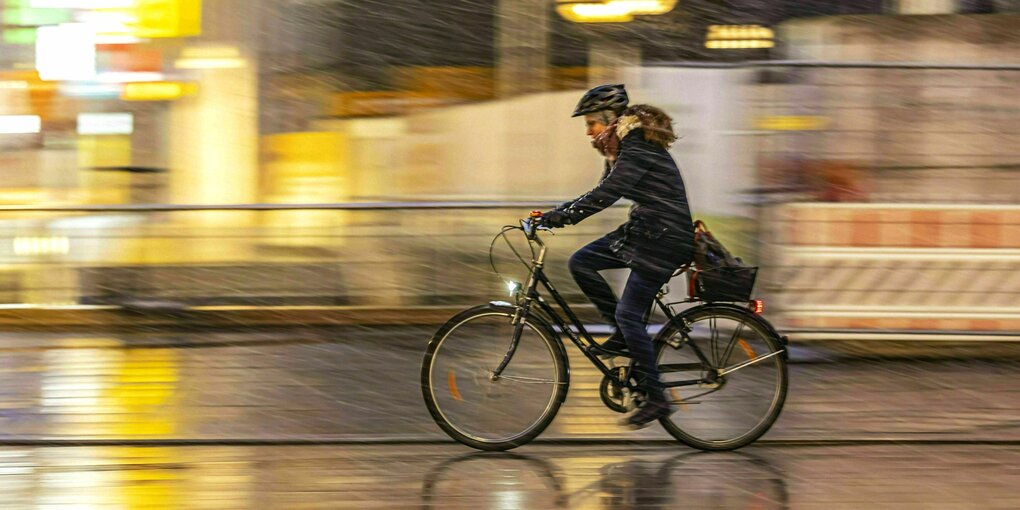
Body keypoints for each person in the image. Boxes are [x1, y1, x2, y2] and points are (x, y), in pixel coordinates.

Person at [539, 84, 695, 429]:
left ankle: (657, 399)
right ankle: (624, 334)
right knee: (581, 262)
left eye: (592, 122)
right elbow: (600, 191)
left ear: (610, 119)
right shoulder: (619, 149)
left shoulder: (636, 145)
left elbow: (609, 193)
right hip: (645, 232)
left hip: (664, 238)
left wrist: (560, 217)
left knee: (629, 313)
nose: (588, 131)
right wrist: (555, 213)